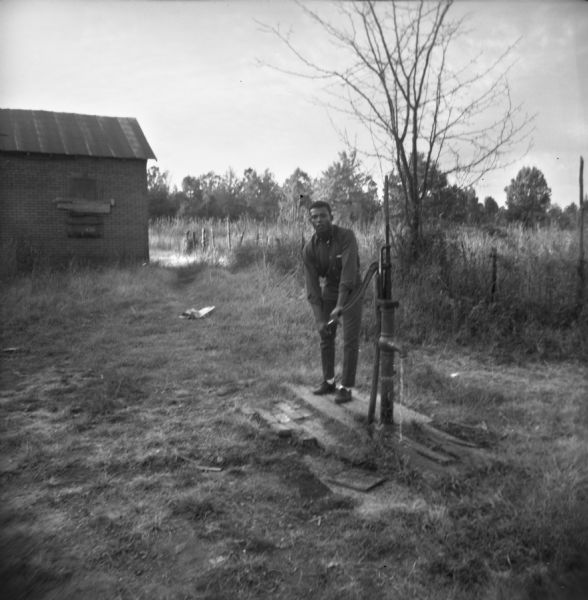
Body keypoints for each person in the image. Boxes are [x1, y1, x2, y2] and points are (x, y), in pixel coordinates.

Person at [302, 200, 363, 404]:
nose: (319, 220)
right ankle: (329, 381)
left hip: (351, 289)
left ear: (331, 217)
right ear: (310, 221)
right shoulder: (309, 249)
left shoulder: (346, 237)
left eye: (323, 216)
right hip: (330, 288)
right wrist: (320, 319)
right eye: (315, 217)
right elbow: (312, 287)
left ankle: (345, 387)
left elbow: (348, 273)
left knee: (349, 338)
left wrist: (340, 305)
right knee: (325, 335)